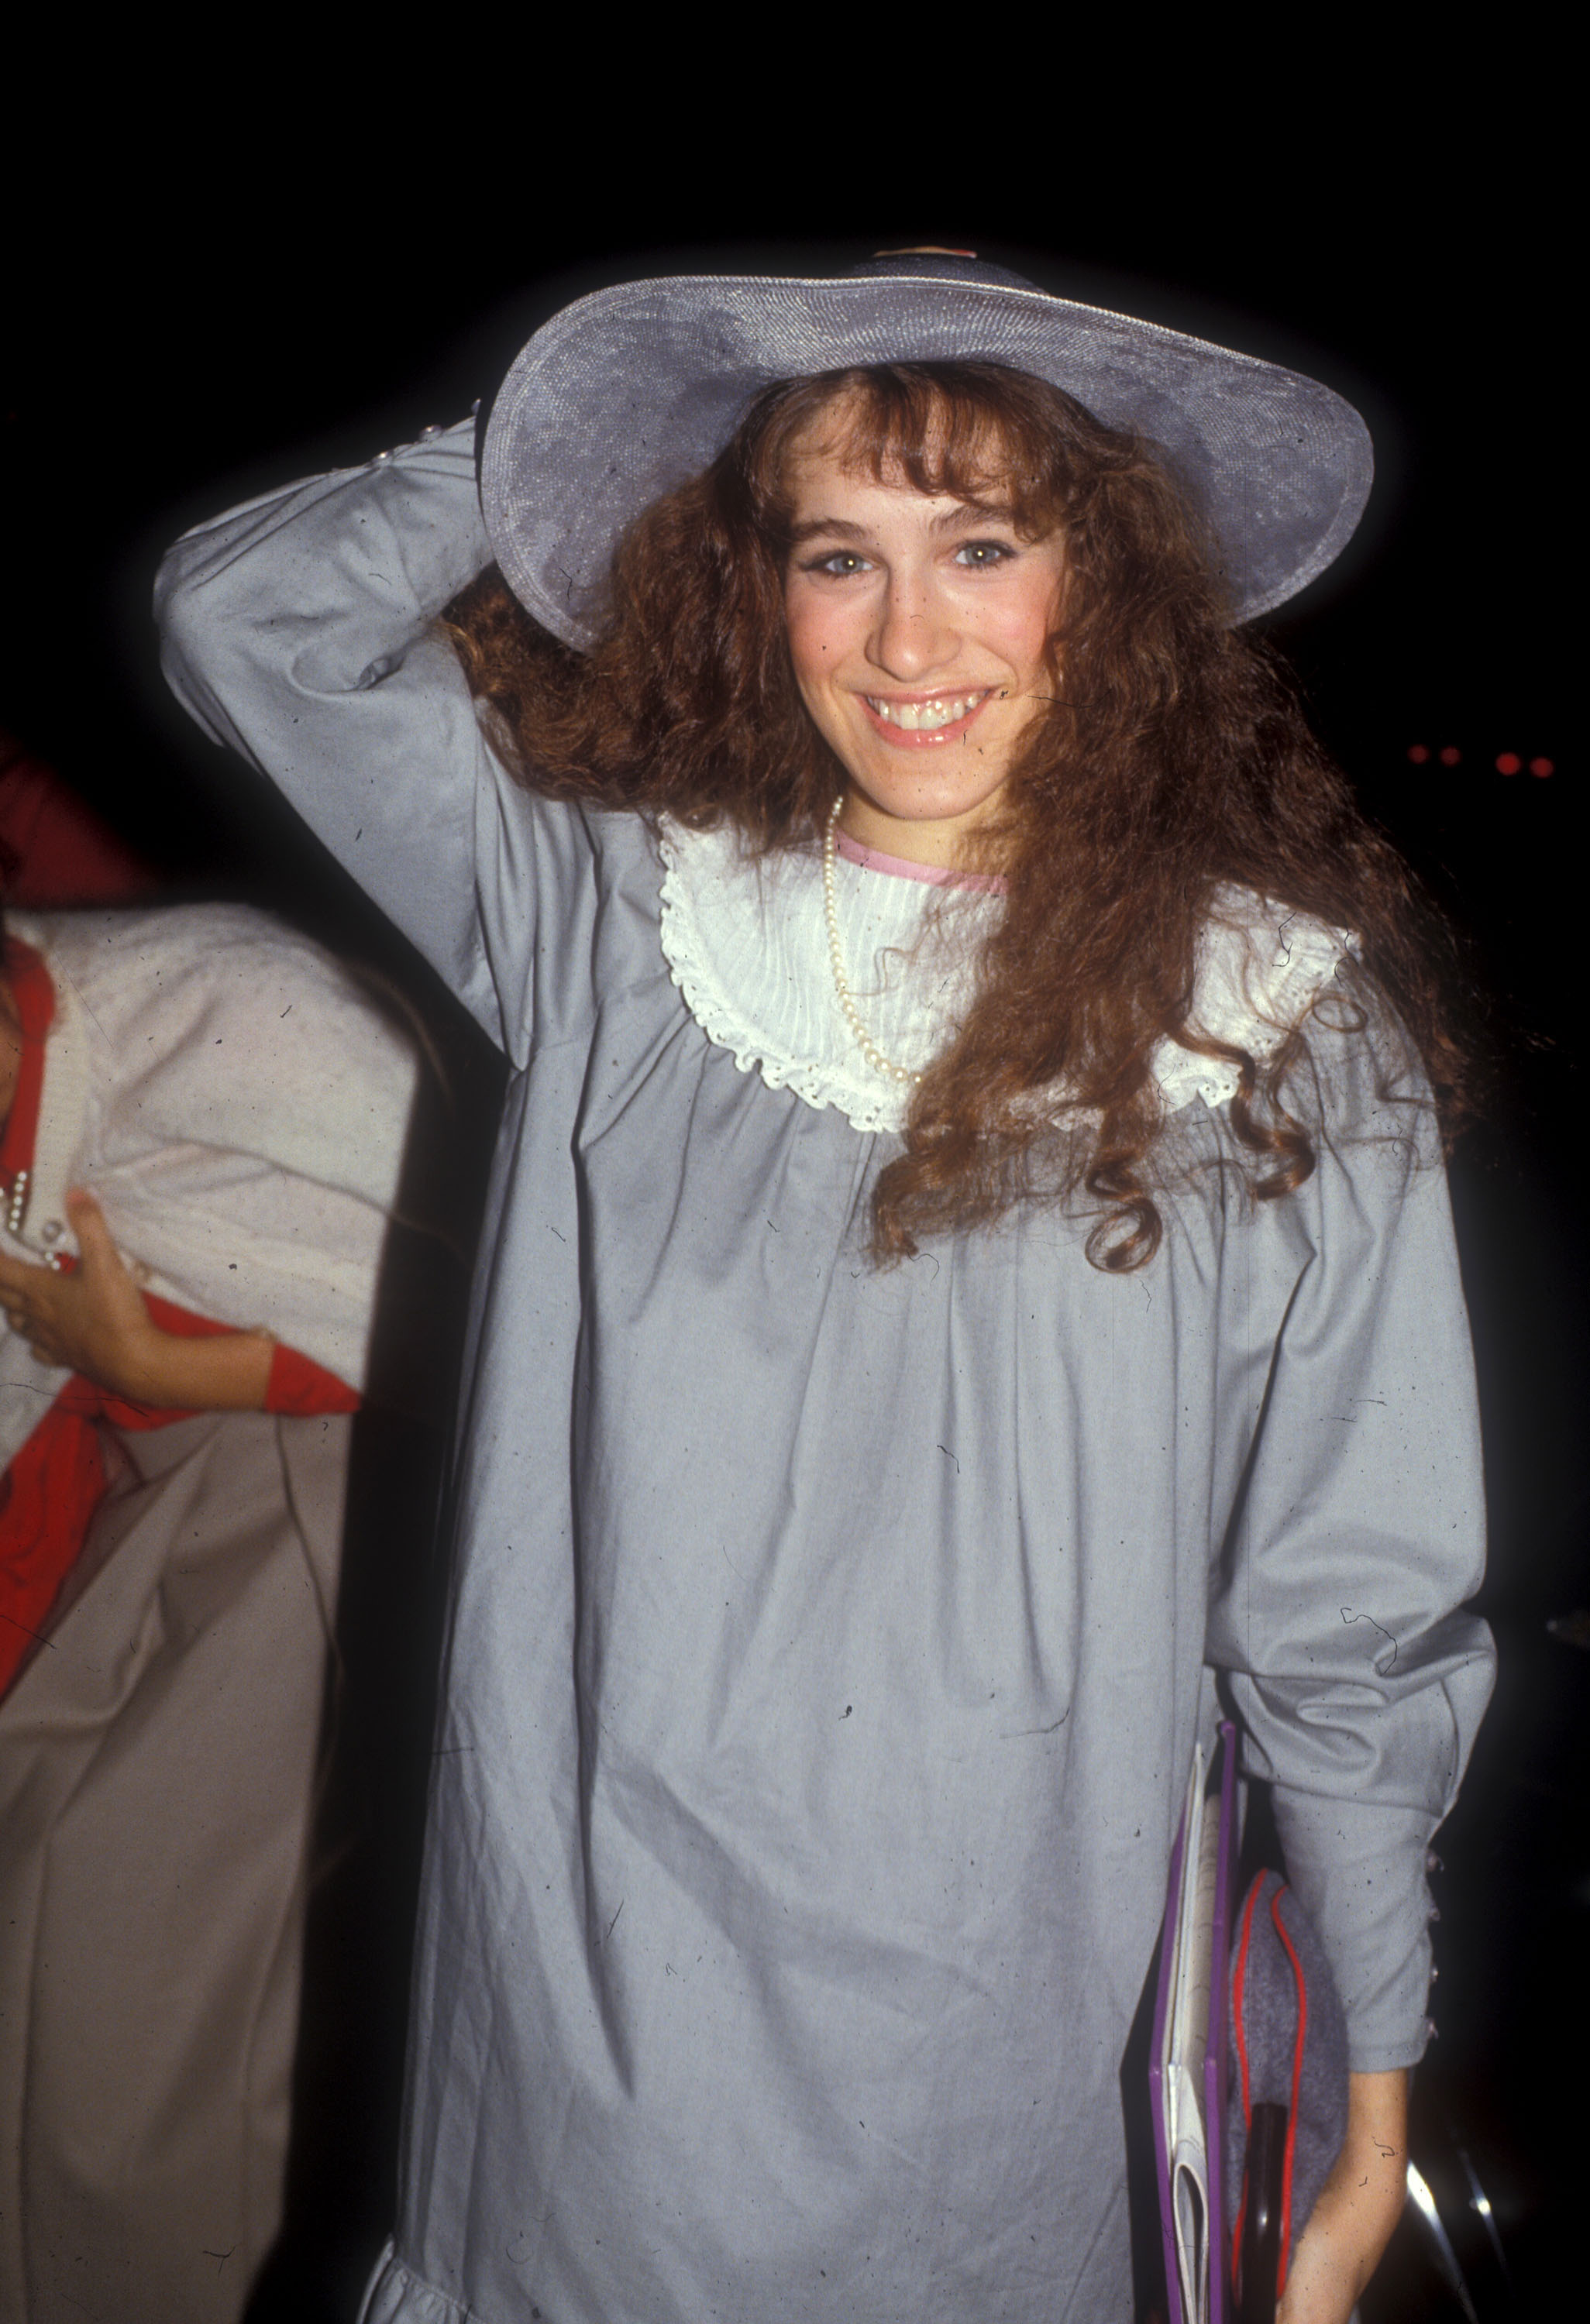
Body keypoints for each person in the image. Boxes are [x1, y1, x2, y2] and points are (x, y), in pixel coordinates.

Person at [153, 251, 1495, 2324]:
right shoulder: (619, 926)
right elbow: (248, 621)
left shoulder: (1274, 1031)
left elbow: (1349, 1626)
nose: (905, 638)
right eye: (831, 553)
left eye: (980, 543)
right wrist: (626, 416)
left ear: (1110, 587)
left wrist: (1367, 2090)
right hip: (590, 2048)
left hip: (994, 2065)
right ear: (748, 582)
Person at [0, 898, 421, 2324]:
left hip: (354, 1499)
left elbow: (496, 1302)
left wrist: (174, 1370)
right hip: (160, 1489)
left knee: (146, 2006)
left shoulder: (230, 1016)